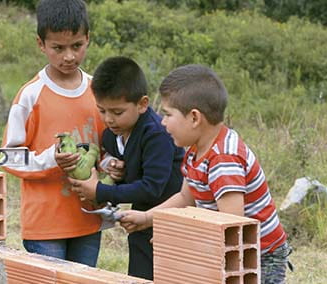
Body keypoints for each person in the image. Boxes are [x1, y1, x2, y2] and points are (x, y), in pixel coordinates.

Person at [119, 64, 292, 283]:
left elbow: (232, 227)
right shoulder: (195, 150)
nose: (162, 122)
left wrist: (181, 238)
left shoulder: (223, 160)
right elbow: (185, 198)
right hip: (228, 248)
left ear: (194, 118)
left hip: (258, 255)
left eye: (168, 114)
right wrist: (146, 218)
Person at [1, 0, 107, 267]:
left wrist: (111, 164)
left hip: (88, 218)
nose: (69, 56)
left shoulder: (99, 92)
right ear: (41, 44)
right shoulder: (30, 96)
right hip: (45, 224)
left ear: (88, 39)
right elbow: (8, 156)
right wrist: (51, 159)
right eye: (58, 48)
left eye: (77, 45)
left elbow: (105, 148)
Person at [69, 56, 184, 280]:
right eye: (102, 111)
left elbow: (152, 188)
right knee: (139, 276)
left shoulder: (156, 135)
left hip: (169, 222)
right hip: (141, 222)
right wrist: (113, 169)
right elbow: (124, 167)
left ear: (142, 104)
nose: (109, 119)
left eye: (117, 112)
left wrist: (100, 191)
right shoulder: (113, 135)